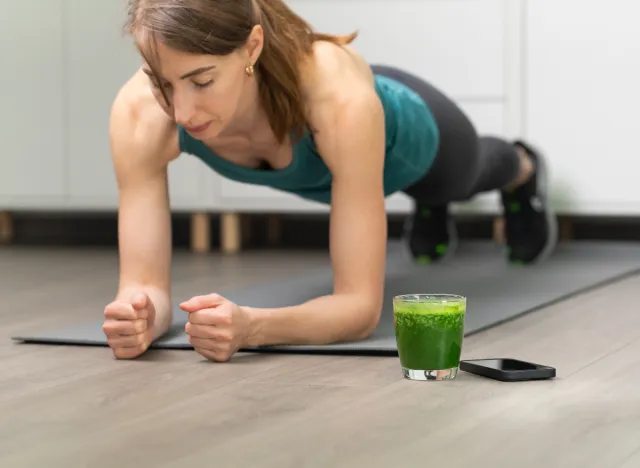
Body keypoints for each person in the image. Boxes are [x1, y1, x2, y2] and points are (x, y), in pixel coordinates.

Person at [102, 0, 557, 361]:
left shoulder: (339, 100)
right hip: (351, 151)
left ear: (251, 48)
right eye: (163, 83)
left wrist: (253, 327)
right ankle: (430, 206)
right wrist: (140, 315)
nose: (181, 113)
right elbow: (144, 287)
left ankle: (522, 169)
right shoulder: (140, 112)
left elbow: (359, 309)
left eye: (201, 81)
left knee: (465, 177)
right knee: (411, 192)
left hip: (412, 133)